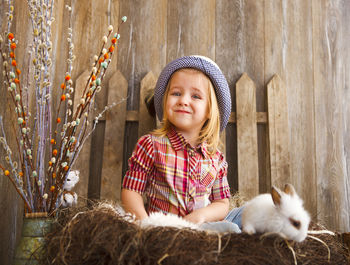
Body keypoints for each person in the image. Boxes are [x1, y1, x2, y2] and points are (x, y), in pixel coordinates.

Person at [121, 55, 242, 232]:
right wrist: (145, 225)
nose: (183, 101)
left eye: (195, 96)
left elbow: (222, 203)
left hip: (202, 224)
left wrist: (201, 215)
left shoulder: (216, 159)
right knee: (231, 229)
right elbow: (131, 190)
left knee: (247, 213)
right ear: (165, 101)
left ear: (210, 110)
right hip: (166, 229)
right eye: (176, 93)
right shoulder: (152, 146)